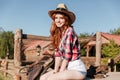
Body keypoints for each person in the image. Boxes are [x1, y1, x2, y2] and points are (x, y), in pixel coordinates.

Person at [40, 3, 87, 80]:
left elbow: (67, 56)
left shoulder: (70, 31)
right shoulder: (59, 34)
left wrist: (60, 71)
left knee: (51, 79)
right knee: (42, 78)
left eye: (61, 18)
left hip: (76, 70)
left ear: (66, 19)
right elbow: (58, 54)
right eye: (56, 18)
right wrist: (55, 71)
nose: (58, 21)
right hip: (67, 68)